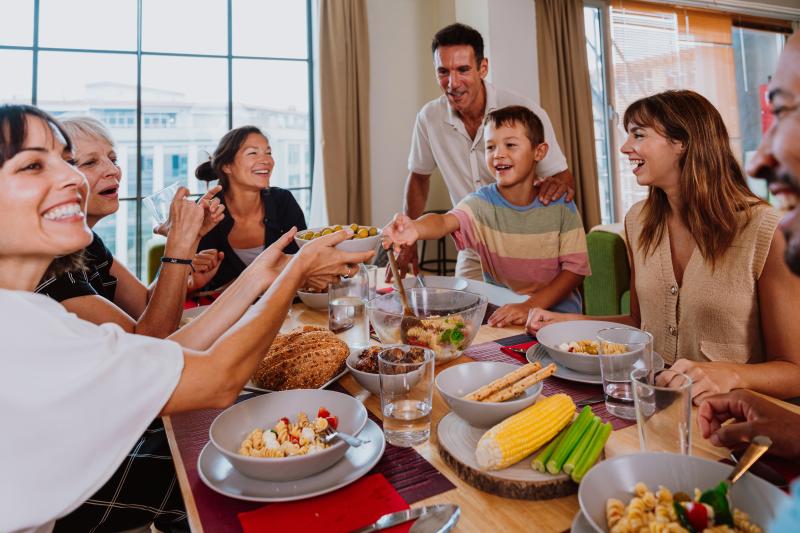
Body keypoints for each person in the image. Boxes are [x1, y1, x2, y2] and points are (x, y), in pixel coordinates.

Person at [0, 104, 373, 533]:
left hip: (81, 464)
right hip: (81, 493)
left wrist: (261, 275)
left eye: (68, 162)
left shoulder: (34, 307)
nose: (73, 179)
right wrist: (291, 273)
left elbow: (159, 350)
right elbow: (209, 374)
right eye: (34, 165)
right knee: (232, 467)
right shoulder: (25, 320)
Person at [526, 90, 800, 404]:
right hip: (652, 404)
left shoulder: (768, 232)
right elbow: (639, 326)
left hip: (735, 422)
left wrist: (733, 374)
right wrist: (569, 323)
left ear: (682, 142)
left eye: (638, 135)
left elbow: (794, 371)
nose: (625, 147)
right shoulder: (638, 222)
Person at [392, 22, 575, 282]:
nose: (452, 83)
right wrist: (408, 240)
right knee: (465, 317)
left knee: (530, 317)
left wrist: (553, 189)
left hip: (528, 245)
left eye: (463, 70)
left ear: (483, 67)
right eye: (443, 71)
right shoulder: (429, 118)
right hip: (473, 246)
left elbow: (563, 180)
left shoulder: (524, 110)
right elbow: (419, 179)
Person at [383, 105, 590, 327]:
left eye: (510, 145)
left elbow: (575, 271)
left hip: (557, 319)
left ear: (538, 152)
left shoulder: (560, 205)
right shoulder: (480, 203)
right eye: (490, 147)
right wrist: (415, 227)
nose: (498, 154)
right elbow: (444, 221)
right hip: (505, 317)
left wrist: (530, 306)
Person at [35, 117, 224, 338]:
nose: (113, 170)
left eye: (113, 159)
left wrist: (188, 244)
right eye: (89, 162)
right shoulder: (49, 263)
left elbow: (144, 304)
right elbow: (149, 339)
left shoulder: (88, 243)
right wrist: (179, 248)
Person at [195, 125, 307, 291]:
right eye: (253, 153)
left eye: (268, 152)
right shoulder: (206, 209)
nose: (266, 160)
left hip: (283, 308)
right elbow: (186, 282)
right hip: (220, 313)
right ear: (227, 166)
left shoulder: (283, 201)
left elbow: (302, 262)